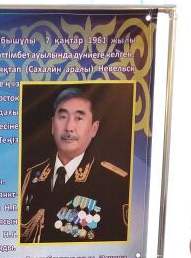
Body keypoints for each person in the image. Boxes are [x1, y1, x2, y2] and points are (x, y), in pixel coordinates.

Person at [20, 86, 129, 244]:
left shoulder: (114, 183)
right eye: (63, 117)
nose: (69, 127)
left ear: (93, 129)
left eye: (79, 118)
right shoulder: (30, 176)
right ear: (53, 125)